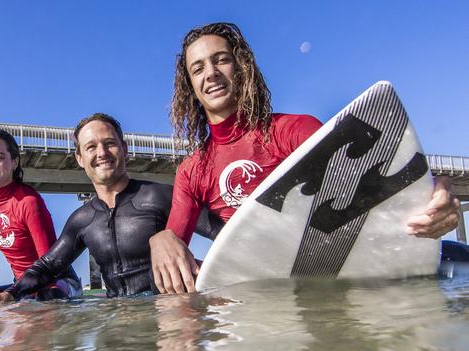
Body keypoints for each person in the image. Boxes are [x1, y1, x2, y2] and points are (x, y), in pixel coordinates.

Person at [149, 22, 461, 294]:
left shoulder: (293, 130)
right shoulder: (193, 170)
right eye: (198, 68)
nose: (212, 74)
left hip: (340, 273)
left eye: (221, 60)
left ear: (241, 68)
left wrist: (437, 191)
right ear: (190, 86)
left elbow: (376, 180)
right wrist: (161, 239)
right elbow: (174, 252)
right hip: (260, 289)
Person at [0, 113, 223, 303]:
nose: (102, 153)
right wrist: (10, 295)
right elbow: (47, 266)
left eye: (109, 143)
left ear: (124, 149)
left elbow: (225, 234)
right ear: (80, 159)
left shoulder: (161, 196)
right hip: (115, 319)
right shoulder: (82, 220)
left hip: (167, 315)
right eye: (91, 147)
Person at [0, 129, 81, 302]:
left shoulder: (28, 201)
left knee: (46, 298)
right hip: (21, 285)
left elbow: (49, 262)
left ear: (14, 162)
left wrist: (25, 296)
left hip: (58, 282)